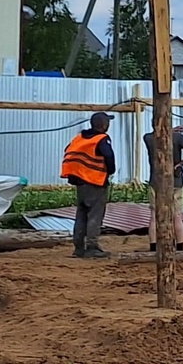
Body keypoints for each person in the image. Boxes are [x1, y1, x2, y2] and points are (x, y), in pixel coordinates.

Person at [61, 111, 116, 259]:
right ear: (104, 125)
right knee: (94, 216)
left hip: (80, 182)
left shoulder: (79, 138)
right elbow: (109, 156)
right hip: (95, 181)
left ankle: (78, 248)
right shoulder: (102, 139)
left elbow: (68, 151)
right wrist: (110, 171)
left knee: (81, 215)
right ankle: (92, 247)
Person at [143, 122, 183, 189]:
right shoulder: (177, 137)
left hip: (156, 182)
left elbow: (160, 134)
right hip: (175, 182)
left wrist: (170, 130)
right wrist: (180, 164)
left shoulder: (148, 138)